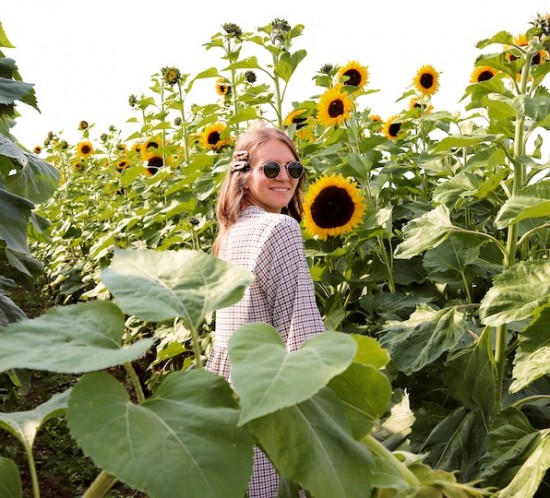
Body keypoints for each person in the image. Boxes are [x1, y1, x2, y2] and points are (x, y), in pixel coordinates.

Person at [206, 121, 325, 497]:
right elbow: (302, 334)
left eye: (293, 169)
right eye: (270, 168)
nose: (284, 177)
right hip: (270, 395)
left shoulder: (230, 233)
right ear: (242, 176)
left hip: (229, 388)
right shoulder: (280, 229)